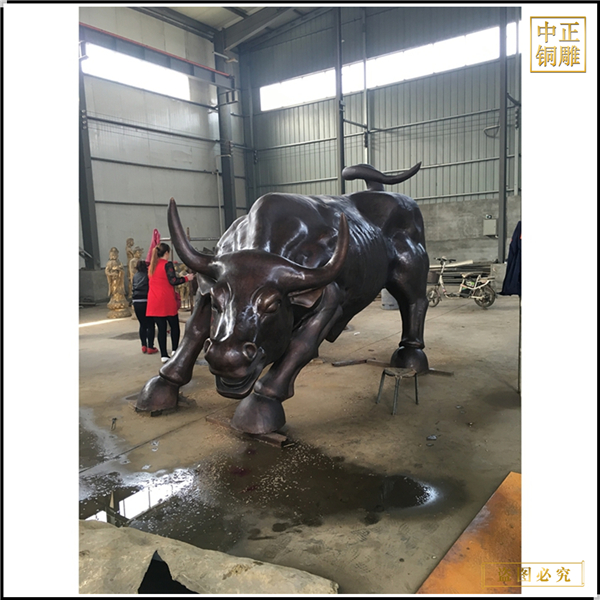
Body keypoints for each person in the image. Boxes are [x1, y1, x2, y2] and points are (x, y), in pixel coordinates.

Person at [146, 243, 195, 362]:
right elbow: (173, 280)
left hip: (154, 301)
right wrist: (187, 278)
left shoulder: (152, 266)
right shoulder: (167, 265)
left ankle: (164, 355)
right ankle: (174, 350)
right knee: (174, 326)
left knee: (161, 329)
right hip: (166, 300)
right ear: (167, 253)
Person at [131, 259, 158, 355]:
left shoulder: (135, 276)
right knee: (150, 325)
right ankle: (150, 347)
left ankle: (143, 345)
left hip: (136, 302)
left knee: (142, 325)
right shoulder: (148, 275)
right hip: (147, 301)